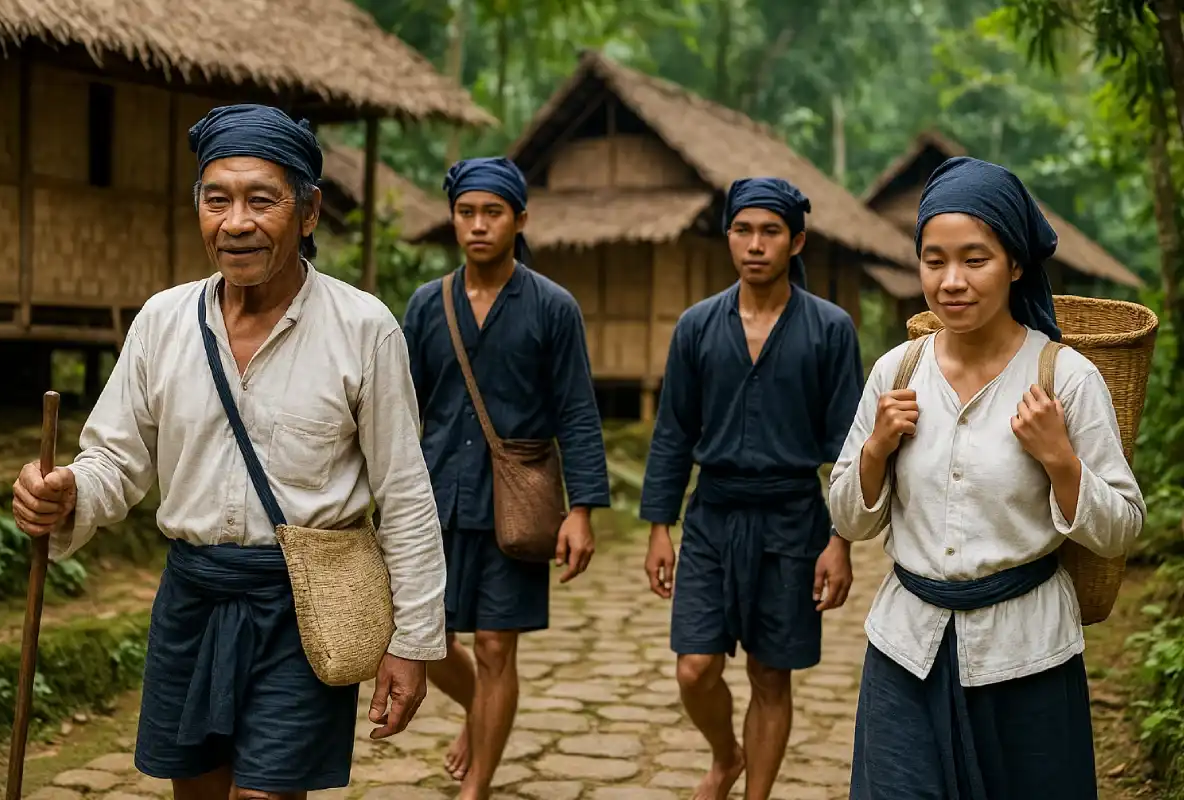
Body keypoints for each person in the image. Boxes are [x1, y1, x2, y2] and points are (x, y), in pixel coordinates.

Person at [9, 104, 447, 800]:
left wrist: (413, 639)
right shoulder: (164, 320)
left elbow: (404, 492)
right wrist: (68, 493)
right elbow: (116, 461)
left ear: (308, 212)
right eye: (217, 200)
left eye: (260, 200)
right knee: (199, 794)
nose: (235, 222)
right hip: (193, 597)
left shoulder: (364, 328)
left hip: (302, 607)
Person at [829, 156, 1146, 799]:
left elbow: (1121, 530)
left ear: (1016, 264)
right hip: (905, 653)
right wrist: (874, 452)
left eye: (976, 259)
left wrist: (1060, 459)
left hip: (1026, 658)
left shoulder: (1067, 380)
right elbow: (847, 519)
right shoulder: (896, 373)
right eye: (933, 260)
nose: (951, 281)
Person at [640, 177, 862, 800]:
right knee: (694, 667)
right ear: (728, 236)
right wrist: (660, 527)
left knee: (770, 674)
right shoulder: (696, 327)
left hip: (793, 520)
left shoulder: (829, 329)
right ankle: (724, 755)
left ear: (797, 241)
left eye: (770, 231)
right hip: (712, 515)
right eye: (743, 229)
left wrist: (841, 540)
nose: (755, 244)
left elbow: (850, 444)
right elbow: (673, 431)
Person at [401, 156, 610, 800]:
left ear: (520, 220)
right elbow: (400, 405)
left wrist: (583, 509)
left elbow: (576, 408)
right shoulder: (425, 305)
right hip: (435, 497)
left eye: (493, 213)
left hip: (516, 504)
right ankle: (480, 715)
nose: (478, 225)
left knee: (495, 645)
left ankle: (479, 786)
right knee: (429, 642)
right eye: (466, 212)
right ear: (453, 219)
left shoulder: (552, 307)